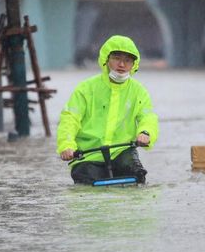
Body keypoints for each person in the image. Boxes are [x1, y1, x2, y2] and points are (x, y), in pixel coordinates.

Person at [56, 35, 159, 184]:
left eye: (128, 60)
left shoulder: (139, 91)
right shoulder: (86, 88)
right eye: (117, 58)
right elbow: (70, 118)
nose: (122, 64)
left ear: (133, 65)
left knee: (137, 176)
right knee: (86, 183)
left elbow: (148, 117)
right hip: (88, 154)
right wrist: (66, 145)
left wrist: (145, 133)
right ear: (106, 59)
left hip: (122, 151)